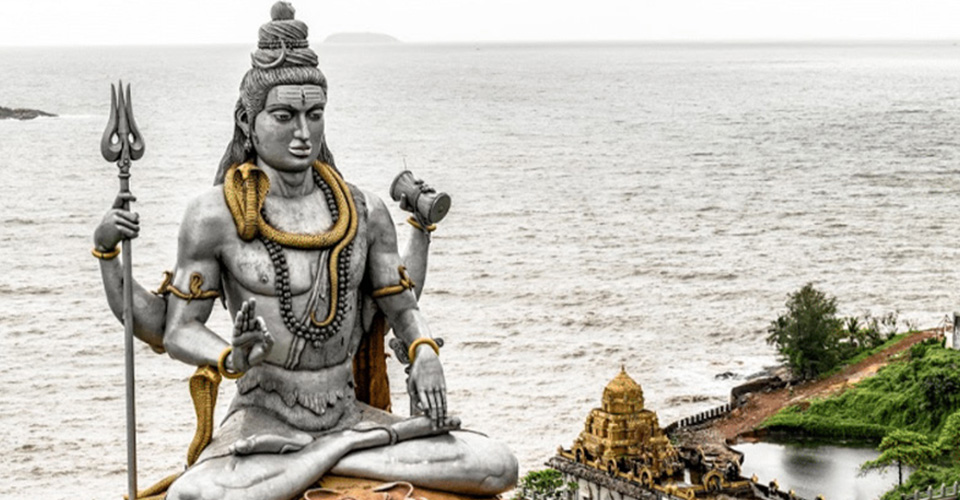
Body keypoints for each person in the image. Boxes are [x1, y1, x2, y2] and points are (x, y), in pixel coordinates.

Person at [90, 4, 517, 500]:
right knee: (198, 496)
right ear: (247, 121)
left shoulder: (362, 210)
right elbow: (178, 329)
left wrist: (423, 351)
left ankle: (330, 450)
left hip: (348, 412)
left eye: (314, 115)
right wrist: (230, 356)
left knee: (495, 465)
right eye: (284, 115)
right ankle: (334, 453)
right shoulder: (215, 215)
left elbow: (402, 305)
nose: (303, 133)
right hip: (263, 420)